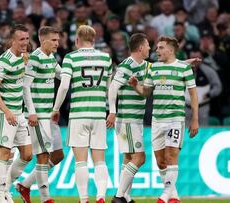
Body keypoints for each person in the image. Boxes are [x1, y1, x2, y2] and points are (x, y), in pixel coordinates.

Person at [129, 36, 199, 203]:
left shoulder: (184, 69)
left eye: (160, 48)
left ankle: (165, 196)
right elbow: (146, 92)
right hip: (157, 120)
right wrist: (136, 86)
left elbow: (193, 94)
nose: (156, 50)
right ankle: (174, 196)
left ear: (171, 50)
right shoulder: (154, 68)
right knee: (161, 162)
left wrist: (195, 118)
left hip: (175, 119)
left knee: (171, 156)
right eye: (157, 47)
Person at [51, 25, 112, 203]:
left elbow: (63, 86)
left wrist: (56, 109)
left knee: (81, 162)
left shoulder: (70, 58)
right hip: (99, 114)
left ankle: (84, 199)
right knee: (100, 160)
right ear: (94, 40)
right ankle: (101, 197)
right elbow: (110, 89)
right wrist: (113, 111)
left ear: (77, 40)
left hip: (78, 114)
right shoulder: (106, 58)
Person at [16, 26, 65, 203]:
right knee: (43, 155)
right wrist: (32, 112)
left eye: (58, 40)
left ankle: (25, 185)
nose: (57, 43)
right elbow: (25, 86)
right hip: (37, 116)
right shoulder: (35, 58)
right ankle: (46, 198)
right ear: (43, 40)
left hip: (49, 116)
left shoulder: (51, 58)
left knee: (58, 155)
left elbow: (62, 75)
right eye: (54, 40)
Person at [0, 24, 32, 203]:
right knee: (3, 154)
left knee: (27, 154)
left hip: (19, 114)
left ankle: (6, 186)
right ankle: (0, 197)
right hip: (4, 114)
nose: (25, 43)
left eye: (27, 39)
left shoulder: (23, 58)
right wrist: (6, 111)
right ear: (12, 41)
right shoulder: (4, 60)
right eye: (21, 39)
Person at [107, 33, 151, 203]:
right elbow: (113, 88)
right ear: (140, 47)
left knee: (128, 158)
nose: (149, 48)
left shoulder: (146, 66)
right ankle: (118, 197)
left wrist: (185, 64)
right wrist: (112, 111)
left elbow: (164, 70)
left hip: (136, 120)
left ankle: (126, 196)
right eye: (147, 45)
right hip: (127, 120)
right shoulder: (126, 65)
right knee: (140, 158)